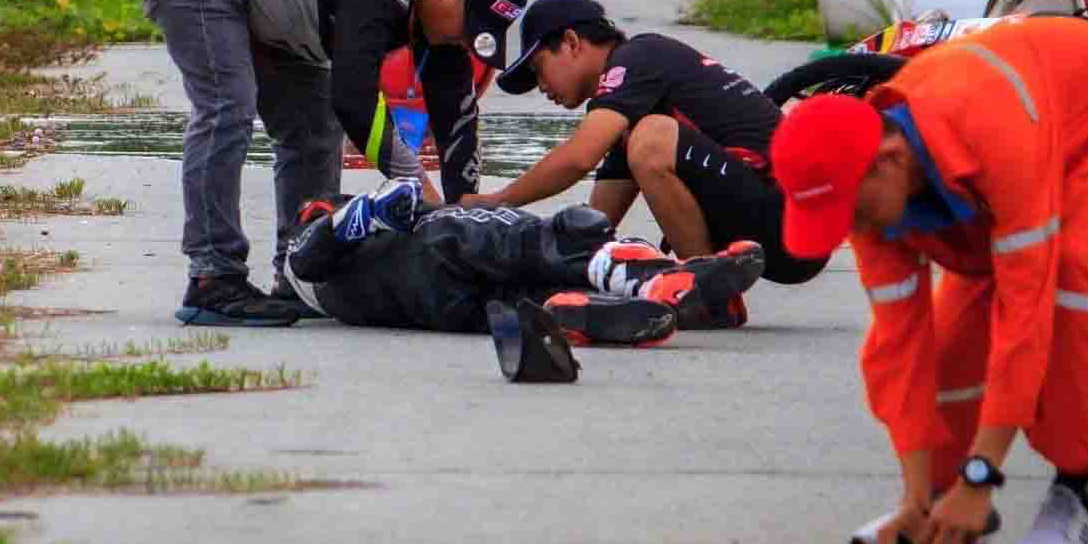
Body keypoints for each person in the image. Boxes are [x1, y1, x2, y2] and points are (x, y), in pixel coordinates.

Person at [768, 17, 1088, 544]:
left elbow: (1025, 314)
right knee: (951, 340)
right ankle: (943, 505)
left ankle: (1073, 502)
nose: (851, 230)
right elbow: (898, 346)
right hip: (1045, 137)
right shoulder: (871, 184)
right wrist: (919, 497)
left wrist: (982, 475)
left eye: (852, 213)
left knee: (1080, 289)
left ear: (889, 162)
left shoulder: (987, 131)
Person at [138, 0, 531, 327]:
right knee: (228, 105)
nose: (463, 43)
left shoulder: (433, 8)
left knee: (314, 129)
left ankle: (298, 273)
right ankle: (213, 276)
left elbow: (458, 122)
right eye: (469, 29)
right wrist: (415, 183)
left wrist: (466, 215)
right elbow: (355, 99)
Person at [461, 0, 826, 321]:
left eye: (539, 70)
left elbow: (579, 157)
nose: (541, 88)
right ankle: (700, 282)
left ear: (572, 42)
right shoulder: (626, 109)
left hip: (791, 216)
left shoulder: (638, 58)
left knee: (653, 137)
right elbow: (596, 225)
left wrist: (498, 200)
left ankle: (706, 297)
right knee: (643, 140)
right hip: (776, 228)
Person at [278, 178, 767, 345]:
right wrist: (356, 213)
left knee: (527, 297)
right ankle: (655, 278)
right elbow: (305, 260)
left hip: (439, 310)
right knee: (554, 237)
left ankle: (575, 313)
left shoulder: (342, 300)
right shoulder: (313, 243)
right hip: (435, 252)